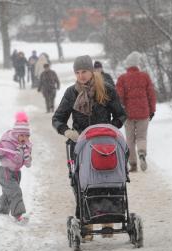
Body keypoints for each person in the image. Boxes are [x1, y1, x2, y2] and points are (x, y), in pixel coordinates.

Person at [52, 55, 127, 240]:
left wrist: (110, 129)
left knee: (107, 179)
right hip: (81, 143)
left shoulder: (107, 90)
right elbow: (57, 118)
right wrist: (67, 131)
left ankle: (108, 219)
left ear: (91, 71)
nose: (81, 76)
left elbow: (121, 115)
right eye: (77, 72)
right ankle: (87, 222)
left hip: (104, 143)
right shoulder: (71, 93)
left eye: (84, 71)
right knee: (82, 182)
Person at [116, 51, 156, 172]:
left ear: (127, 65)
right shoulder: (145, 76)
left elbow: (119, 96)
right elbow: (151, 95)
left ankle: (133, 164)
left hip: (128, 114)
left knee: (130, 139)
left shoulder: (122, 78)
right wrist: (152, 110)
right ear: (137, 64)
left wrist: (120, 110)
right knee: (141, 137)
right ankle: (142, 153)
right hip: (143, 112)